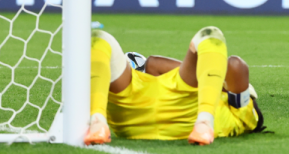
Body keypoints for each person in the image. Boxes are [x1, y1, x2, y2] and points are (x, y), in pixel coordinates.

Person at [83, 27, 265, 146]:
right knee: (97, 38)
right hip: (182, 110)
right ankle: (204, 123)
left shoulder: (241, 114)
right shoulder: (237, 114)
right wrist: (214, 79)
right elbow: (153, 64)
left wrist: (221, 84)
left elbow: (235, 65)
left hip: (132, 115)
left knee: (98, 39)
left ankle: (97, 120)